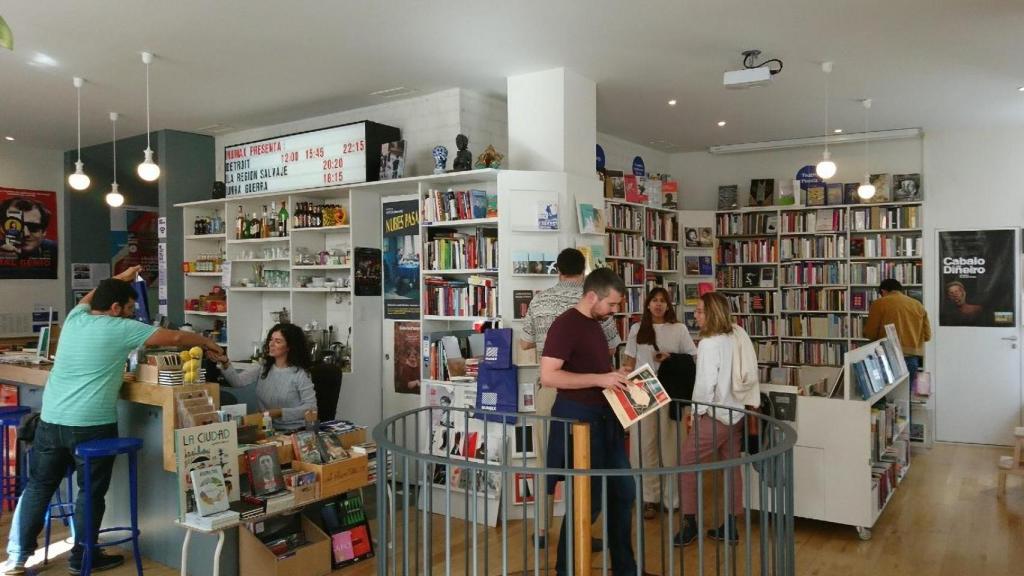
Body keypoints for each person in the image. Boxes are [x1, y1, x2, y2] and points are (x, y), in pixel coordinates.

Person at [2, 265, 223, 575]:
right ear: (116, 308)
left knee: (39, 487)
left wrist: (121, 278)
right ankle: (83, 558)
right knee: (89, 493)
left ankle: (17, 557)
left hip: (51, 420)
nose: (132, 314)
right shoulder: (121, 329)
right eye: (129, 309)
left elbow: (94, 297)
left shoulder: (75, 319)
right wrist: (209, 343)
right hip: (91, 424)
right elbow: (173, 336)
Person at [541, 268, 654, 576]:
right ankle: (567, 569)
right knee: (587, 501)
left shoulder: (595, 324)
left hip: (605, 420)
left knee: (623, 492)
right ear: (592, 296)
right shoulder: (565, 325)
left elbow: (596, 372)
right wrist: (601, 378)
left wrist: (618, 383)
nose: (614, 311)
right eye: (612, 304)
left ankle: (625, 569)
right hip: (580, 423)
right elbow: (549, 375)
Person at [519, 248, 620, 548]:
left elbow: (525, 342)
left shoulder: (540, 299)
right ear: (583, 270)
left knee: (546, 462)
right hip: (582, 394)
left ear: (557, 269)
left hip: (548, 391)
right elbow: (611, 346)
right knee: (584, 467)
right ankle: (579, 533)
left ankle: (540, 530)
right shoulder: (593, 300)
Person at [676, 291, 747, 547]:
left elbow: (705, 385)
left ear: (713, 313)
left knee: (685, 464)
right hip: (737, 413)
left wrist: (695, 415)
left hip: (714, 415)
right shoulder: (737, 334)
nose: (695, 315)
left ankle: (689, 522)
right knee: (731, 468)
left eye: (700, 311)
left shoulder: (709, 343)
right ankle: (730, 524)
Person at [622, 287, 696, 519]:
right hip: (641, 387)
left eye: (663, 301)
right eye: (654, 300)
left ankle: (671, 498)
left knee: (671, 446)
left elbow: (693, 358)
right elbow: (629, 361)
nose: (658, 305)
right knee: (643, 447)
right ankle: (648, 498)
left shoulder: (679, 329)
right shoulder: (637, 329)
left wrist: (671, 358)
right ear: (647, 304)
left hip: (671, 389)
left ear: (669, 305)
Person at [210, 323, 317, 433]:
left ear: (289, 347)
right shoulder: (263, 367)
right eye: (271, 339)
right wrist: (225, 362)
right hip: (268, 429)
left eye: (278, 341)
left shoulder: (300, 374)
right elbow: (237, 382)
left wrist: (280, 412)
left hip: (295, 430)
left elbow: (311, 408)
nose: (271, 344)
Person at [864, 278, 932, 390]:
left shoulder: (879, 303)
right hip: (912, 356)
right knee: (906, 394)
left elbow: (871, 333)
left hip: (887, 355)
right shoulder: (917, 305)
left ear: (883, 291)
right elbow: (927, 335)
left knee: (887, 394)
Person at [0, 197, 58, 279]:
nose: (26, 233)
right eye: (16, 226)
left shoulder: (55, 250)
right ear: (2, 228)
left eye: (33, 227)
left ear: (44, 231)